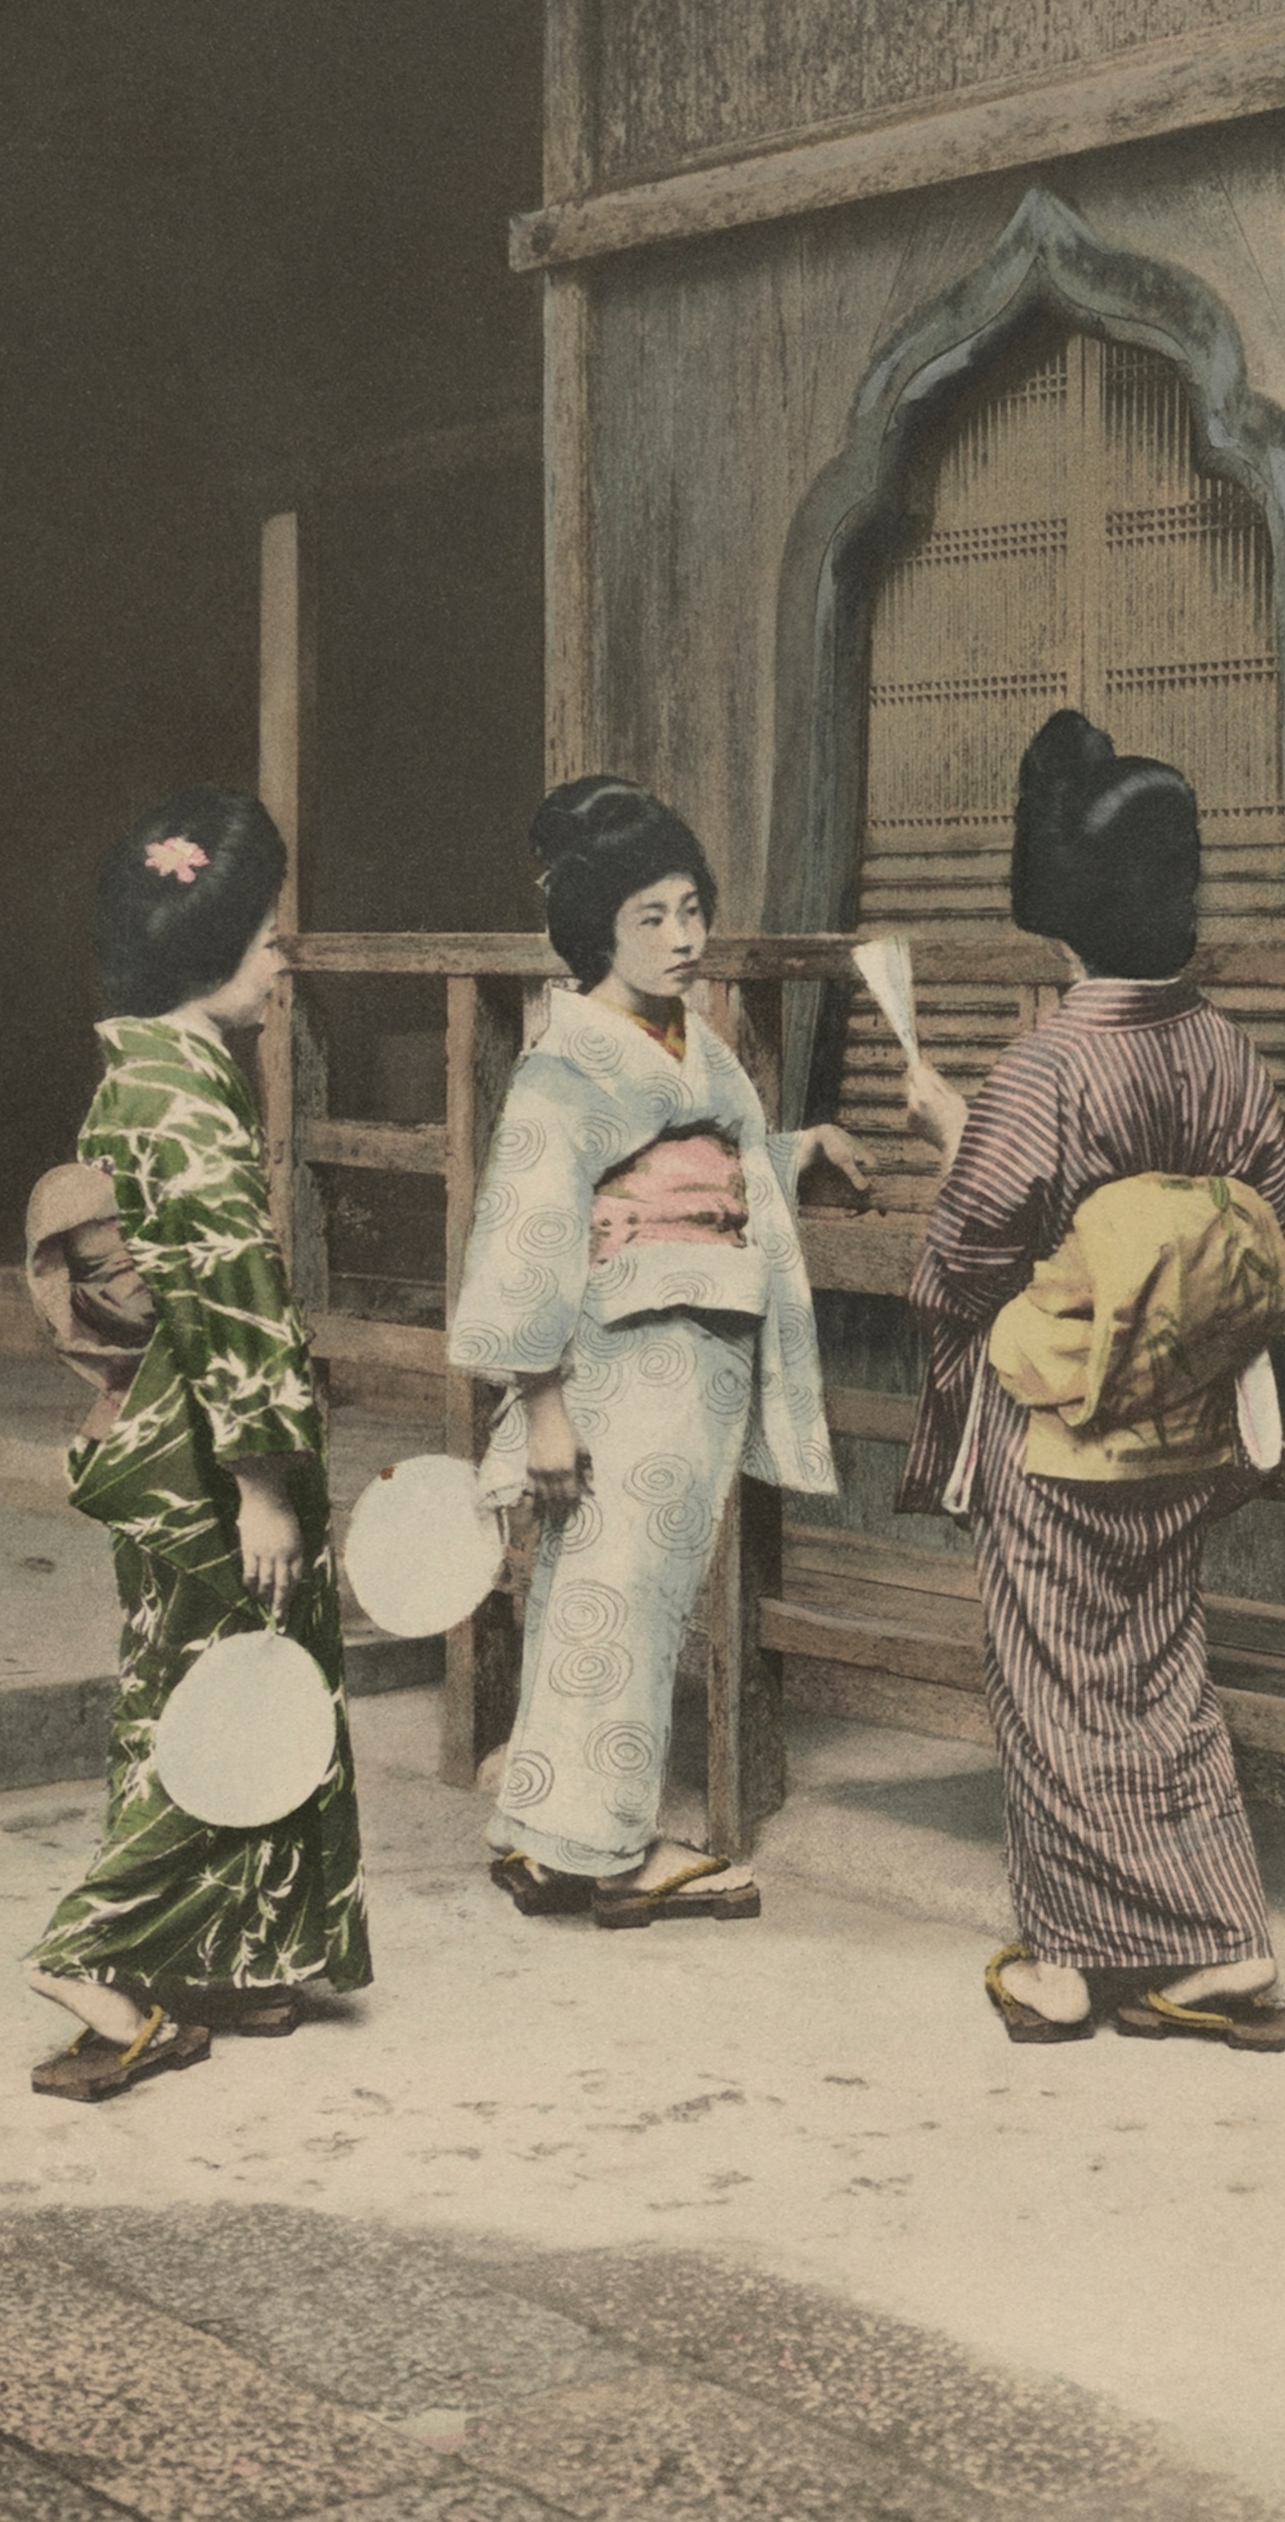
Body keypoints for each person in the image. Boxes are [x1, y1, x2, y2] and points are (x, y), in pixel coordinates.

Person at [900, 711, 1285, 2050]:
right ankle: (1220, 1942)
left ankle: (1072, 1961)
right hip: (1184, 1415)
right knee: (1159, 1669)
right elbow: (1269, 1208)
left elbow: (966, 1254)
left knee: (1051, 1681)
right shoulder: (1228, 1053)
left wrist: (961, 1154)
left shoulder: (1047, 1065)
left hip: (1061, 1419)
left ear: (1057, 908)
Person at [448, 776, 865, 1923]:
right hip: (623, 1360)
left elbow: (708, 1162)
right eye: (652, 917)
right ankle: (609, 1854)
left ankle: (551, 1836)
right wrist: (542, 1408)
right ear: (598, 927)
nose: (685, 938)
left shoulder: (687, 1040)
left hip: (693, 1349)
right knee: (615, 1591)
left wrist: (790, 1152)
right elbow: (529, 1235)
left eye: (692, 909)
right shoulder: (565, 1065)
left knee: (618, 1590)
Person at [24, 787, 371, 2097]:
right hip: (214, 1461)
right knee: (231, 1701)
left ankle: (221, 1957)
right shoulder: (190, 1108)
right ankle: (90, 1953)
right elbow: (234, 1301)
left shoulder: (135, 1079)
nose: (281, 956)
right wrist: (266, 1483)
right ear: (210, 946)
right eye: (266, 934)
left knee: (184, 1688)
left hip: (163, 1439)